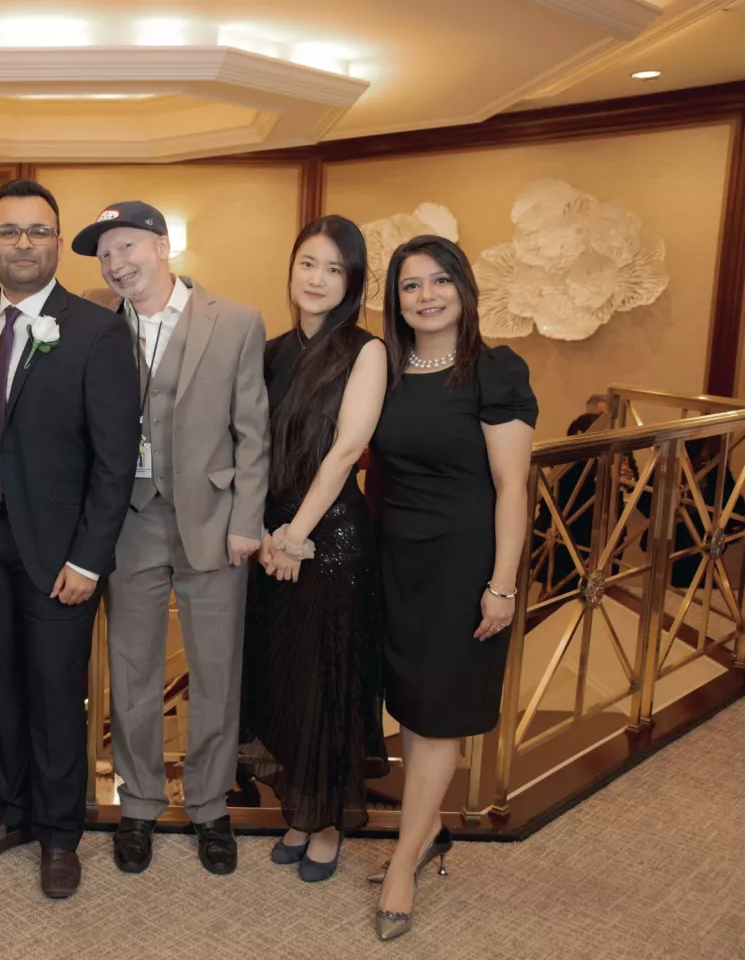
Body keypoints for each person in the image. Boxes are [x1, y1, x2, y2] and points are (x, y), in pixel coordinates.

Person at [0, 179, 137, 899]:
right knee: (6, 687)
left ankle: (61, 835)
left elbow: (115, 460)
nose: (22, 243)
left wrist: (90, 557)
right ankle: (16, 813)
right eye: (8, 232)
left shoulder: (96, 329)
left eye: (37, 231)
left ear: (57, 242)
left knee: (59, 695)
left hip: (62, 553)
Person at [70, 201, 268, 875]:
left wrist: (248, 521)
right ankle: (141, 802)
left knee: (215, 669)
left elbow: (253, 430)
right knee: (132, 671)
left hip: (212, 516)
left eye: (127, 247)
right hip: (131, 519)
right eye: (105, 255)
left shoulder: (235, 320)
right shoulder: (97, 324)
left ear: (161, 245)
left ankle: (210, 804)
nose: (117, 263)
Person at [370, 235, 536, 941]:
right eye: (411, 285)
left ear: (465, 289)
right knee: (410, 701)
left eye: (441, 281)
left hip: (463, 560)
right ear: (396, 300)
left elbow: (512, 487)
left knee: (437, 713)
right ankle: (426, 827)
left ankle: (404, 862)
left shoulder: (494, 370)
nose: (427, 296)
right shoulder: (387, 368)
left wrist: (501, 584)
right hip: (393, 557)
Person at [243, 215, 388, 883]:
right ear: (292, 268)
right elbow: (249, 446)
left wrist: (298, 533)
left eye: (335, 268)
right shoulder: (270, 350)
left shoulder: (366, 350)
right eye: (309, 263)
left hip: (328, 537)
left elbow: (345, 452)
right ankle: (299, 812)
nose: (319, 279)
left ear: (353, 281)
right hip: (270, 536)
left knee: (326, 679)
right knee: (283, 677)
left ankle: (327, 820)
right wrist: (267, 532)